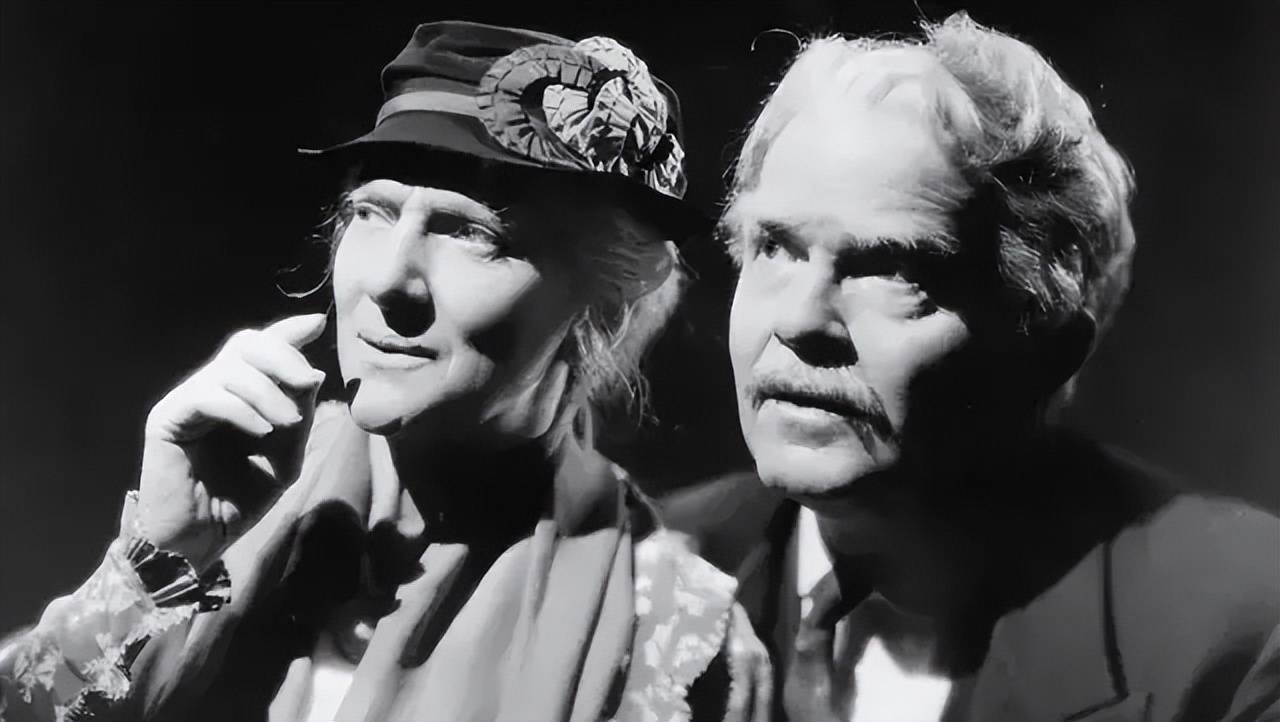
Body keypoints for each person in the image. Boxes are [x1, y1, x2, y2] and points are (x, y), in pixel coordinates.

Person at [0, 21, 771, 722]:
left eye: (471, 232)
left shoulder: (672, 633)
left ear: (605, 296)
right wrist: (156, 563)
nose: (389, 280)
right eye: (368, 212)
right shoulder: (240, 488)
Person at [662, 12, 1280, 722]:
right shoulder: (636, 576)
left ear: (1046, 347)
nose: (800, 321)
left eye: (890, 268)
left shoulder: (1239, 632)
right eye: (775, 247)